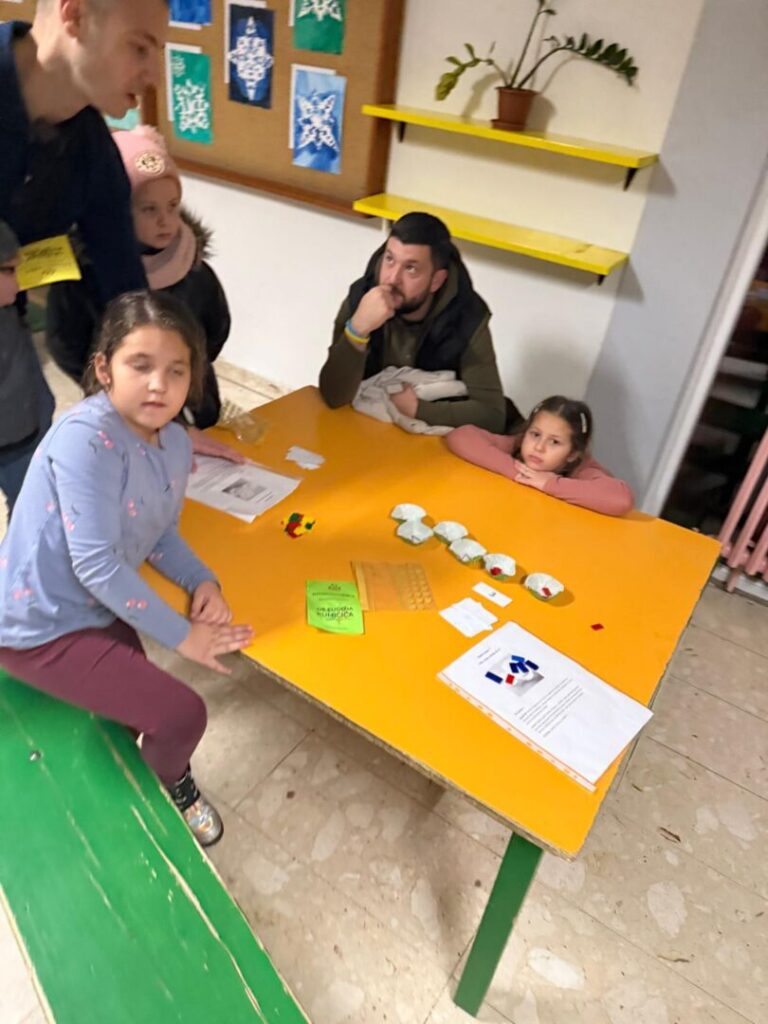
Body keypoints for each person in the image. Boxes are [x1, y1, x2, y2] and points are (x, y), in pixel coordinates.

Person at [0, 290, 254, 846]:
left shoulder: (176, 443)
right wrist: (184, 635)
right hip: (35, 627)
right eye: (140, 365)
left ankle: (147, 773)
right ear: (103, 369)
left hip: (90, 606)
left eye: (176, 370)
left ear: (194, 378)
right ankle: (170, 787)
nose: (159, 385)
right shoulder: (85, 440)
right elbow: (97, 566)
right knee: (183, 714)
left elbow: (159, 533)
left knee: (142, 708)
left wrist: (201, 580)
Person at [47, 125, 230, 429]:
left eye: (172, 206)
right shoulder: (83, 279)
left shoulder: (192, 265)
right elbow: (65, 343)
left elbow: (216, 326)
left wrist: (183, 372)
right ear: (116, 210)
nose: (165, 220)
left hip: (195, 404)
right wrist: (109, 385)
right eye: (148, 209)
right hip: (121, 410)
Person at [319, 212, 509, 432]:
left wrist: (419, 409)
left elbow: (492, 415)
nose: (392, 278)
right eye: (390, 259)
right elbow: (334, 397)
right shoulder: (362, 298)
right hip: (368, 428)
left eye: (410, 268)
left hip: (432, 439)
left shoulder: (466, 317)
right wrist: (357, 330)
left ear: (436, 281)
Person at [445, 395, 634, 516]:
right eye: (535, 434)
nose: (539, 447)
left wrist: (548, 483)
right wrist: (520, 473)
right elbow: (462, 436)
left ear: (572, 453)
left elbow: (620, 499)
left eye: (554, 442)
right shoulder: (518, 445)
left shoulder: (582, 467)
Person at [0, 221, 55, 515]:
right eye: (9, 271)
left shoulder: (9, 316)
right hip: (16, 439)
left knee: (30, 510)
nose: (19, 284)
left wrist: (44, 413)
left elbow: (29, 376)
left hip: (24, 439)